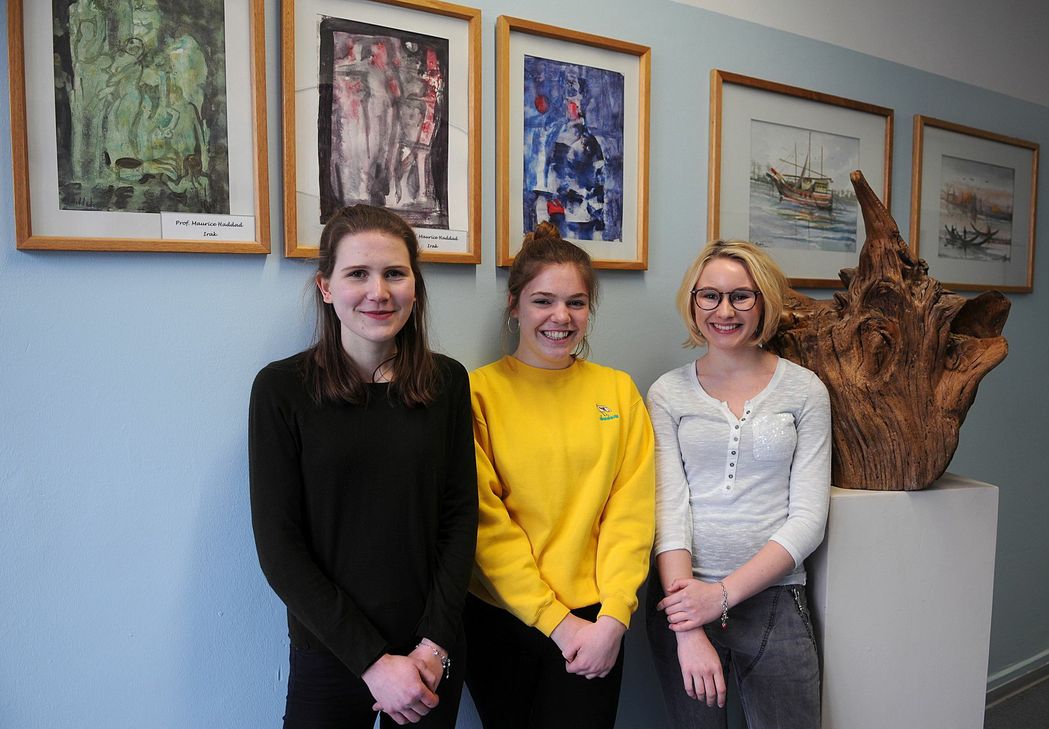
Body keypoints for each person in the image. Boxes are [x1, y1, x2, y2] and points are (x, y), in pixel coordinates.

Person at [249, 205, 477, 728]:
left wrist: (435, 645)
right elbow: (279, 547)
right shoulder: (281, 390)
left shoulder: (447, 383)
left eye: (395, 273)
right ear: (326, 287)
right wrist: (373, 663)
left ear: (415, 286)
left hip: (431, 653)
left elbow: (460, 517)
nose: (379, 291)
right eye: (358, 274)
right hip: (330, 648)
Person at [465, 222, 655, 729]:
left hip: (598, 620)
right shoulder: (477, 393)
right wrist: (555, 621)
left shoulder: (618, 392)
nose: (560, 317)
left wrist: (614, 616)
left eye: (575, 303)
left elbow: (630, 514)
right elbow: (486, 525)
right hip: (501, 618)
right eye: (543, 301)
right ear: (514, 305)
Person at [645, 239, 831, 729]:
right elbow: (670, 511)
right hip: (683, 598)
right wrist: (690, 620)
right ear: (692, 301)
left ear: (763, 301)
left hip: (774, 599)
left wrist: (722, 595)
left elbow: (809, 518)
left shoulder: (805, 389)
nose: (724, 311)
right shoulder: (666, 392)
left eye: (741, 296)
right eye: (710, 296)